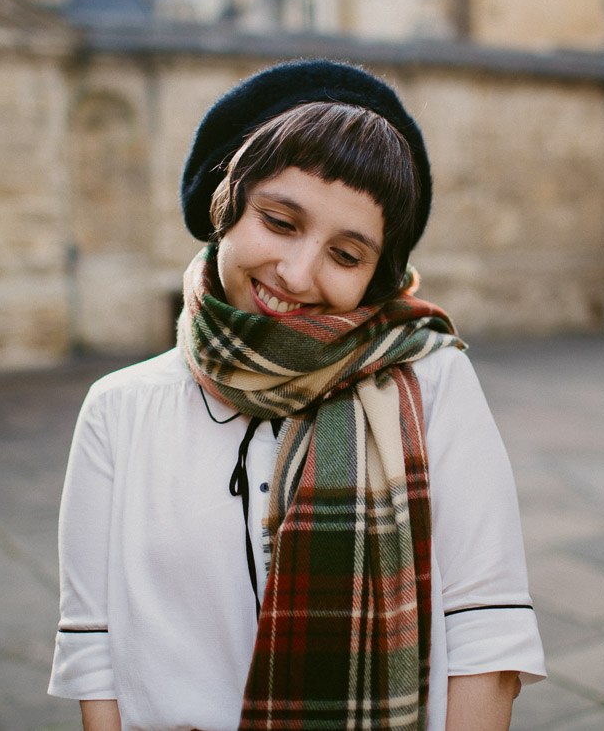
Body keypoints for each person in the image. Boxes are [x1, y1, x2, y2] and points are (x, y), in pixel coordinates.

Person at [48, 59, 545, 731]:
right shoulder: (119, 408)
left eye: (346, 255)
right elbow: (91, 645)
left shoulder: (430, 378)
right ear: (225, 205)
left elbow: (487, 633)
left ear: (375, 277)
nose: (297, 272)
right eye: (280, 221)